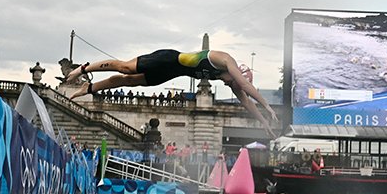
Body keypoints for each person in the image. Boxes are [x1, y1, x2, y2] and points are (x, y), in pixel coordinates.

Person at [63, 48, 280, 137]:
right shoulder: (224, 60)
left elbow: (247, 103)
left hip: (169, 73)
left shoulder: (229, 80)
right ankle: (82, 69)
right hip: (167, 59)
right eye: (234, 82)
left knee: (130, 83)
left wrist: (263, 121)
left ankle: (89, 88)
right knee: (125, 68)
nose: (229, 85)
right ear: (237, 73)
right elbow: (247, 87)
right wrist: (268, 105)